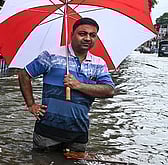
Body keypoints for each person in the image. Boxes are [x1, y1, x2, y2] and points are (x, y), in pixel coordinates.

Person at [18, 17, 115, 152]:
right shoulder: (51, 56)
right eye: (82, 34)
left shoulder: (98, 63)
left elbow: (109, 90)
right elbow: (24, 74)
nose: (88, 38)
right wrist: (31, 105)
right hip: (47, 131)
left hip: (78, 131)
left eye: (92, 35)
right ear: (72, 35)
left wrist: (78, 85)